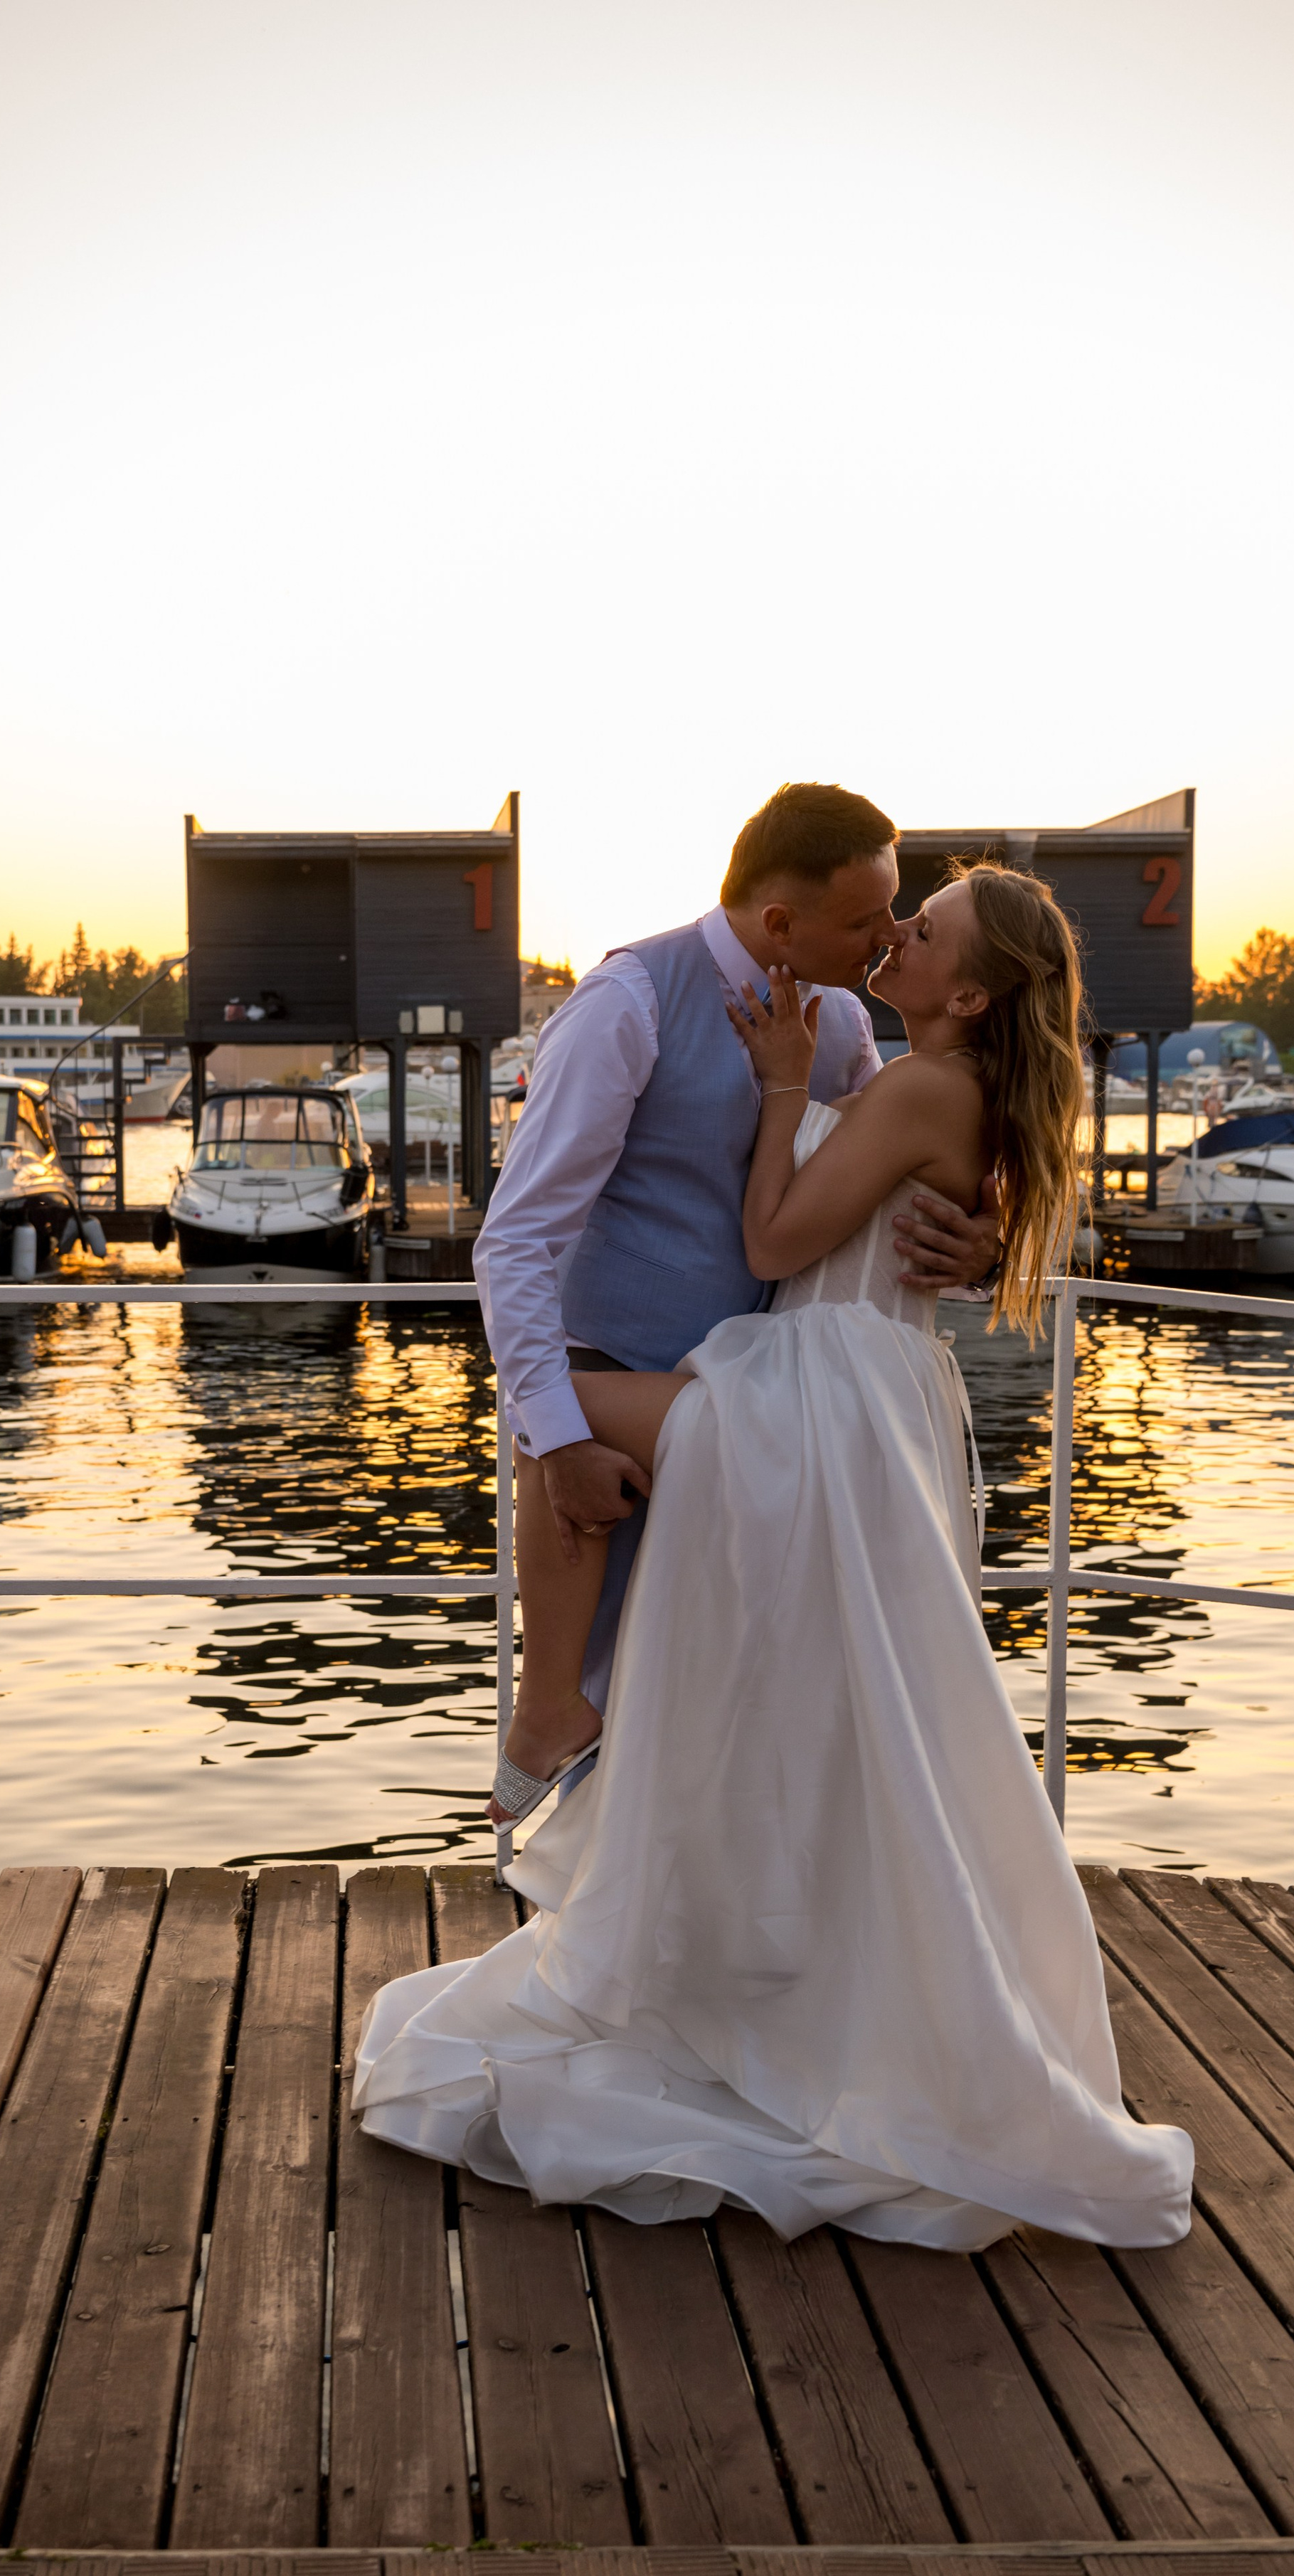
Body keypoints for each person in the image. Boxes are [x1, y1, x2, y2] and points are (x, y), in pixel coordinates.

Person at [354, 857, 1193, 2252]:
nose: (894, 937)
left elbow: (770, 1233)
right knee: (815, 1722)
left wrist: (784, 1095)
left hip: (811, 1396)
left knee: (550, 1420)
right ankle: (764, 1959)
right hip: (857, 1392)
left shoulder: (900, 1075)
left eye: (915, 932)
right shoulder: (886, 1059)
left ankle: (548, 1709)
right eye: (885, 917)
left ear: (968, 991)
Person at [470, 782, 1002, 1831]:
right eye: (866, 920)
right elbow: (516, 1238)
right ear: (779, 925)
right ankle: (589, 1946)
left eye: (900, 914)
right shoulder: (628, 1004)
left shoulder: (843, 1020)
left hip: (771, 1413)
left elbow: (873, 1196)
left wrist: (975, 1252)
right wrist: (560, 1434)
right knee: (614, 1709)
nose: (889, 935)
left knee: (724, 1719)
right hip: (634, 1398)